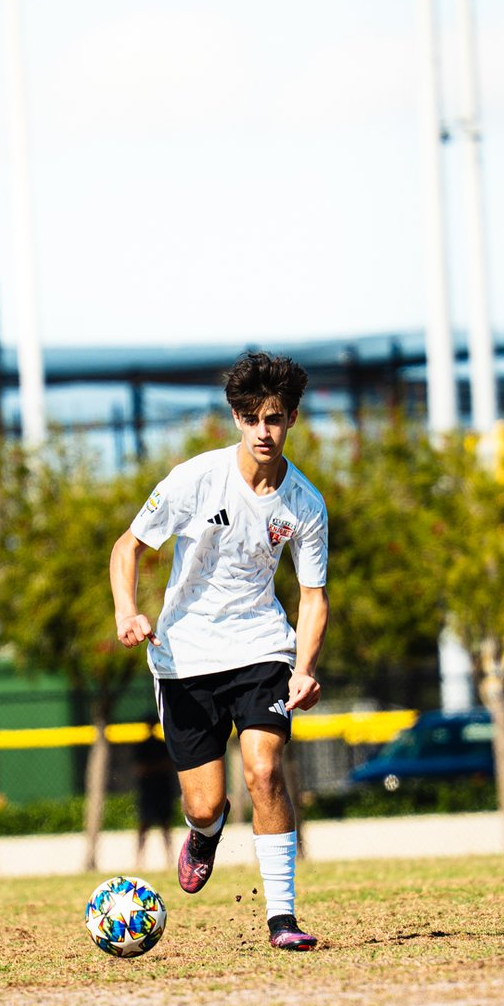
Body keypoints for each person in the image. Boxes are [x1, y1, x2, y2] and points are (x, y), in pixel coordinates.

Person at [109, 350, 328, 952]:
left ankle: (281, 918)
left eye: (275, 418)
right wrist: (128, 612)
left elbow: (314, 596)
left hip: (261, 647)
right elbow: (128, 547)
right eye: (253, 418)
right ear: (237, 418)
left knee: (264, 770)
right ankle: (205, 833)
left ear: (291, 419)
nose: (264, 431)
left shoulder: (305, 504)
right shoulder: (196, 479)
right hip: (184, 657)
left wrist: (304, 668)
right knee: (204, 804)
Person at [131, 712, 177, 871]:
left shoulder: (161, 745)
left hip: (161, 790)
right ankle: (139, 861)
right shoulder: (144, 746)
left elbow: (168, 765)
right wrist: (157, 768)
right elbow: (140, 769)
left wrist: (152, 769)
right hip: (149, 791)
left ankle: (170, 860)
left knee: (165, 825)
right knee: (145, 826)